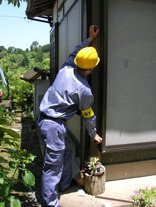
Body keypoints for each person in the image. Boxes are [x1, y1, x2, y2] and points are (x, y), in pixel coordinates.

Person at [38, 25, 103, 207]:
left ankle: (65, 183)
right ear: (90, 70)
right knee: (52, 168)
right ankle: (51, 204)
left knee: (66, 151)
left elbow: (76, 51)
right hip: (54, 126)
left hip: (45, 119)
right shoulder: (85, 90)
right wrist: (94, 134)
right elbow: (88, 115)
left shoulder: (66, 67)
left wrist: (89, 39)